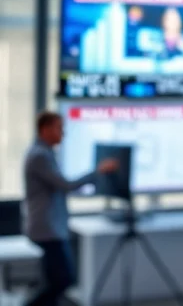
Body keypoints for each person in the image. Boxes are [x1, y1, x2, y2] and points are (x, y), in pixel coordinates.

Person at [23, 112, 118, 306]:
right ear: (45, 129)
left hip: (50, 226)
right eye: (59, 128)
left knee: (56, 280)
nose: (63, 134)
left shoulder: (45, 152)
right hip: (46, 229)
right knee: (63, 279)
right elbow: (66, 185)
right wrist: (98, 171)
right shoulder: (39, 156)